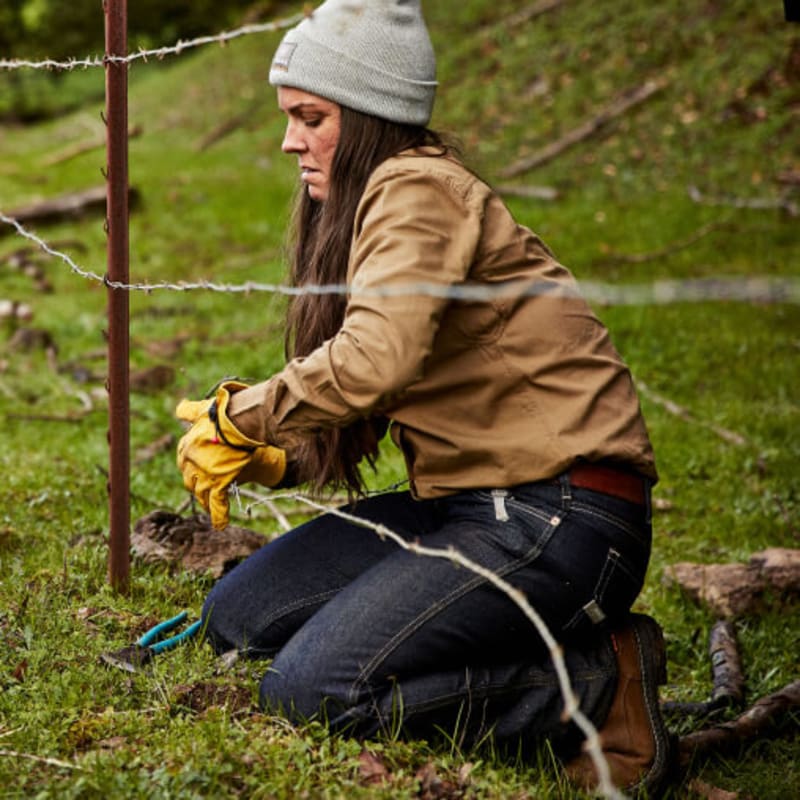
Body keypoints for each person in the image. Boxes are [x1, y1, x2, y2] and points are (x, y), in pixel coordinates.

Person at [175, 0, 673, 795]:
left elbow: (376, 358)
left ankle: (594, 683)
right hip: (469, 506)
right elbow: (379, 385)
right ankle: (466, 638)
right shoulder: (378, 200)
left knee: (313, 693)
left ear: (369, 117)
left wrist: (241, 412)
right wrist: (278, 460)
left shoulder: (417, 189)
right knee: (238, 616)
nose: (288, 141)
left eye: (310, 117)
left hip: (563, 517)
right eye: (288, 118)